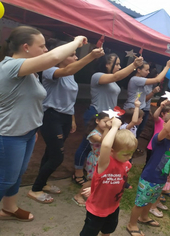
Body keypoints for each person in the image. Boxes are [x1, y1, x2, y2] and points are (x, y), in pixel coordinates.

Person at [0, 26, 87, 221]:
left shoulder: (29, 70)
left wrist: (33, 126)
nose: (46, 50)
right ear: (26, 47)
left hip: (26, 133)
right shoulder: (11, 66)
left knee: (17, 175)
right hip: (9, 135)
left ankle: (9, 207)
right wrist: (76, 42)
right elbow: (52, 58)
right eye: (42, 46)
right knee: (5, 178)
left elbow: (30, 101)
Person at [28, 41, 105, 203]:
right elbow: (68, 69)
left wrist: (71, 119)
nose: (76, 57)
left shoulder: (71, 74)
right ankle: (35, 189)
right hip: (51, 116)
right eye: (72, 55)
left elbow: (69, 98)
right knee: (57, 156)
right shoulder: (51, 70)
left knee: (51, 152)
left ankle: (43, 183)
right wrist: (90, 56)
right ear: (61, 57)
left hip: (64, 117)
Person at [73, 53, 143, 186]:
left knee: (104, 145)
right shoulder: (97, 76)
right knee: (87, 145)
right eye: (116, 63)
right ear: (106, 64)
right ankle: (77, 173)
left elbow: (117, 77)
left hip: (108, 118)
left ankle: (98, 171)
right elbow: (117, 76)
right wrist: (134, 65)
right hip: (96, 116)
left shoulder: (112, 80)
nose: (119, 66)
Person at [126, 101, 170, 235]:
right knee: (141, 202)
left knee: (151, 200)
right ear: (167, 124)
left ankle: (144, 217)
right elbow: (165, 130)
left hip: (161, 178)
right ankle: (131, 224)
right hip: (149, 177)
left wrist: (169, 171)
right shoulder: (160, 138)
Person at [79, 118, 138, 236]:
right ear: (111, 151)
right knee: (89, 233)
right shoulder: (105, 163)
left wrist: (95, 188)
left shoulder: (126, 164)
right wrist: (115, 126)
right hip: (97, 209)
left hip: (113, 206)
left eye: (132, 153)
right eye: (126, 154)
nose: (129, 157)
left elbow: (112, 180)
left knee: (108, 230)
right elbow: (105, 145)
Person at [72, 112, 111, 206]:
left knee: (101, 179)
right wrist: (108, 129)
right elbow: (104, 141)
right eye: (105, 121)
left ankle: (95, 195)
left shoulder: (104, 131)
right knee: (93, 180)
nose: (107, 124)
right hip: (95, 160)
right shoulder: (93, 134)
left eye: (109, 122)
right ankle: (78, 195)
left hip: (104, 158)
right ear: (97, 121)